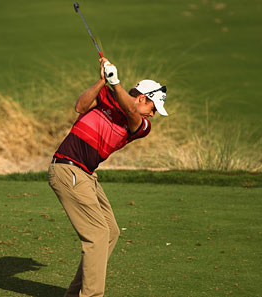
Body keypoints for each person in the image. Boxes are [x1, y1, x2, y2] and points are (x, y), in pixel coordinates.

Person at [48, 57, 168, 297]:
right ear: (143, 97)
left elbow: (132, 111)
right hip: (68, 169)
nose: (153, 115)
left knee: (110, 231)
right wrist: (103, 81)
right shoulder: (106, 97)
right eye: (153, 108)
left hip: (86, 175)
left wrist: (116, 83)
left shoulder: (141, 126)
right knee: (98, 235)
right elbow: (80, 106)